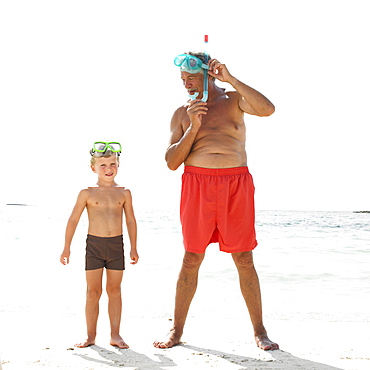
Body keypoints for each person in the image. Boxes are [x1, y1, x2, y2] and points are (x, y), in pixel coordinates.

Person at [153, 53, 279, 351]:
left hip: (235, 184)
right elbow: (172, 162)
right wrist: (194, 126)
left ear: (209, 73)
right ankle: (176, 330)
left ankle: (260, 331)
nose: (186, 84)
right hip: (198, 184)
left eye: (191, 77)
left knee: (244, 258)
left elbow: (268, 109)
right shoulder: (182, 112)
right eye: (182, 79)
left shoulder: (235, 100)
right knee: (191, 258)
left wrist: (231, 78)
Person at [60, 141, 139, 349]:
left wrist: (133, 247)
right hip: (94, 245)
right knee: (93, 292)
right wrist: (66, 247)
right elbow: (73, 220)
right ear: (93, 168)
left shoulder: (124, 192)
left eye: (112, 164)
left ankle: (115, 334)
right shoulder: (87, 192)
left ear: (118, 165)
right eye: (102, 165)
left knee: (114, 290)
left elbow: (130, 220)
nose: (108, 169)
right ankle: (90, 336)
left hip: (116, 246)